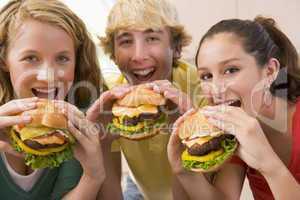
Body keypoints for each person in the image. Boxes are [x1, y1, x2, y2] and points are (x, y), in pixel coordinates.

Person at [168, 16, 300, 200]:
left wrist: (269, 165)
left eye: (231, 70)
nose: (216, 89)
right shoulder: (235, 131)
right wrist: (185, 172)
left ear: (270, 71)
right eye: (206, 76)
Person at [86, 0, 207, 199]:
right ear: (114, 54)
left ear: (176, 48)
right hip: (141, 190)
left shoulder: (203, 88)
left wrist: (189, 128)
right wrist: (102, 144)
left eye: (151, 38)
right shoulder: (111, 101)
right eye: (126, 41)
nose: (138, 56)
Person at [0, 0, 106, 199]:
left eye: (62, 59)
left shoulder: (78, 121)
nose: (48, 76)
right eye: (31, 58)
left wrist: (94, 176)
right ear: (4, 60)